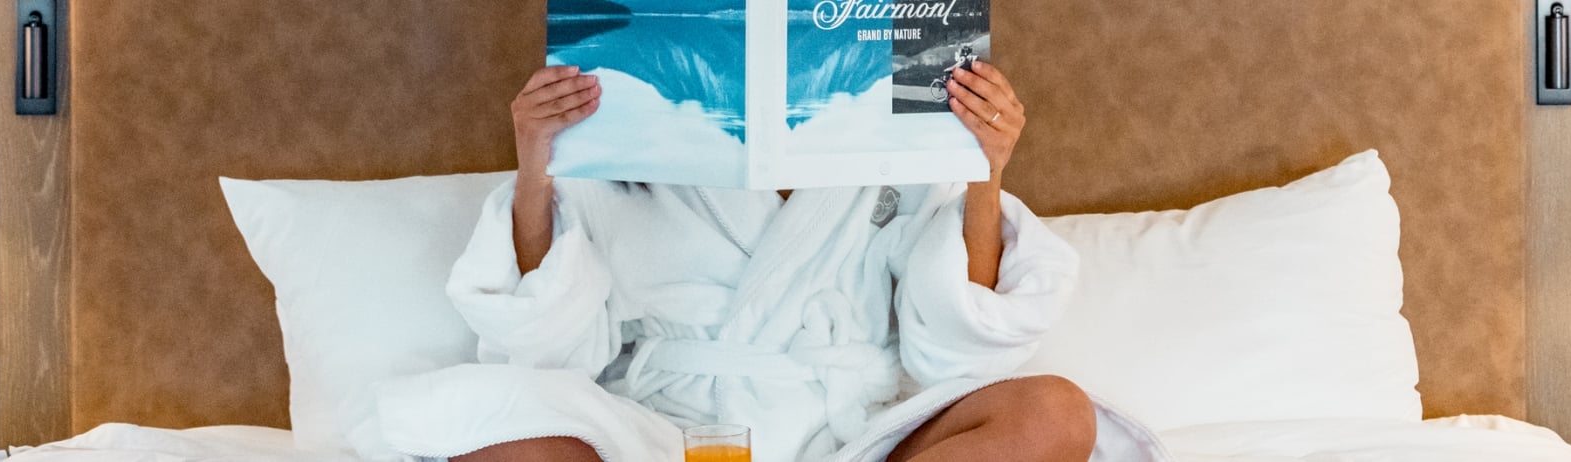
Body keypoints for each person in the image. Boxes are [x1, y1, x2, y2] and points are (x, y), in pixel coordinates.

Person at [375, 63, 1167, 462]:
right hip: (669, 433)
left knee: (1054, 412)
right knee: (492, 424)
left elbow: (955, 348)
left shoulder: (894, 129)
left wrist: (982, 172)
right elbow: (548, 348)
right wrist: (536, 167)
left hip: (844, 436)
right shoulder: (626, 124)